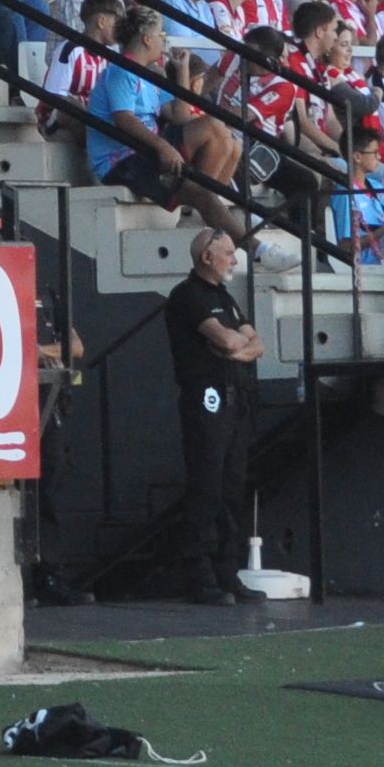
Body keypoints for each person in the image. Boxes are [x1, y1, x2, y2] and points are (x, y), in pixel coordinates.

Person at [161, 226, 264, 604]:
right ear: (207, 257)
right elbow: (226, 339)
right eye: (228, 253)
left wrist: (236, 348)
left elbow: (256, 344)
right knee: (206, 484)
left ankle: (227, 571)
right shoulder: (187, 296)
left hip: (237, 397)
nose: (235, 260)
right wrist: (234, 344)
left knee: (232, 486)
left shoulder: (226, 297)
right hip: (206, 398)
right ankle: (199, 573)